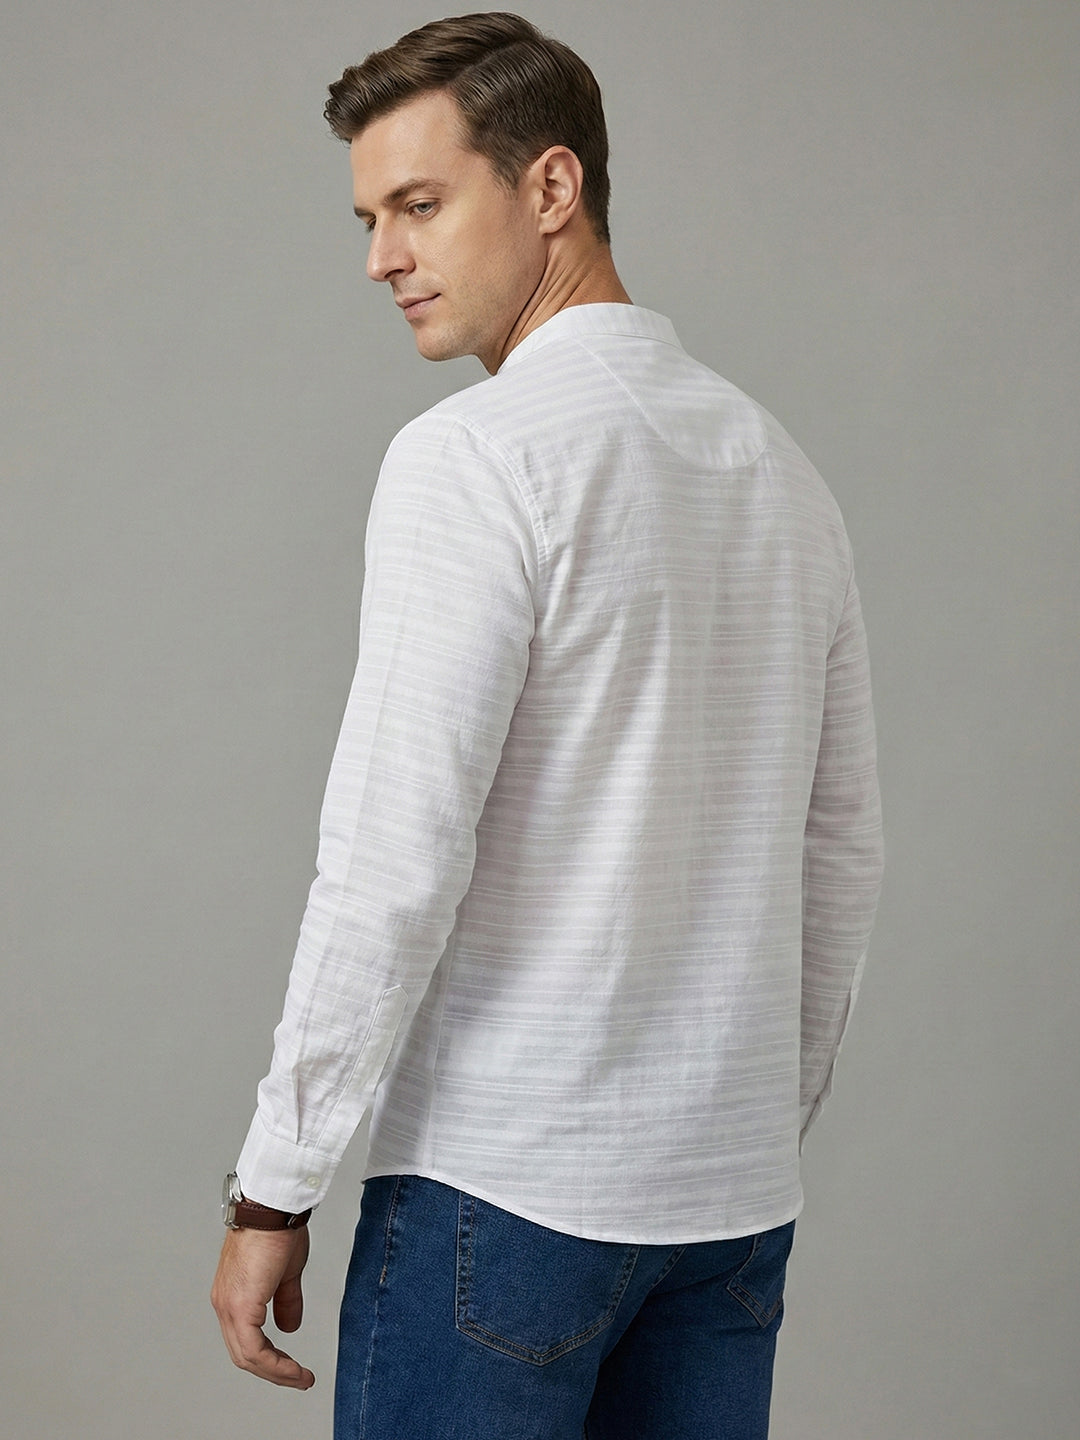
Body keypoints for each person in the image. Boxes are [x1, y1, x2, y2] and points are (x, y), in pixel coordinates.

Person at [211, 13, 884, 1439]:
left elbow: (394, 859)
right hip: (729, 1213)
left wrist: (276, 1182)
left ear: (552, 187)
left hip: (503, 1195)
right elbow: (843, 850)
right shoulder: (780, 471)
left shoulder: (474, 459)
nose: (381, 257)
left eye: (417, 204)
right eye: (368, 219)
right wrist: (747, 1123)